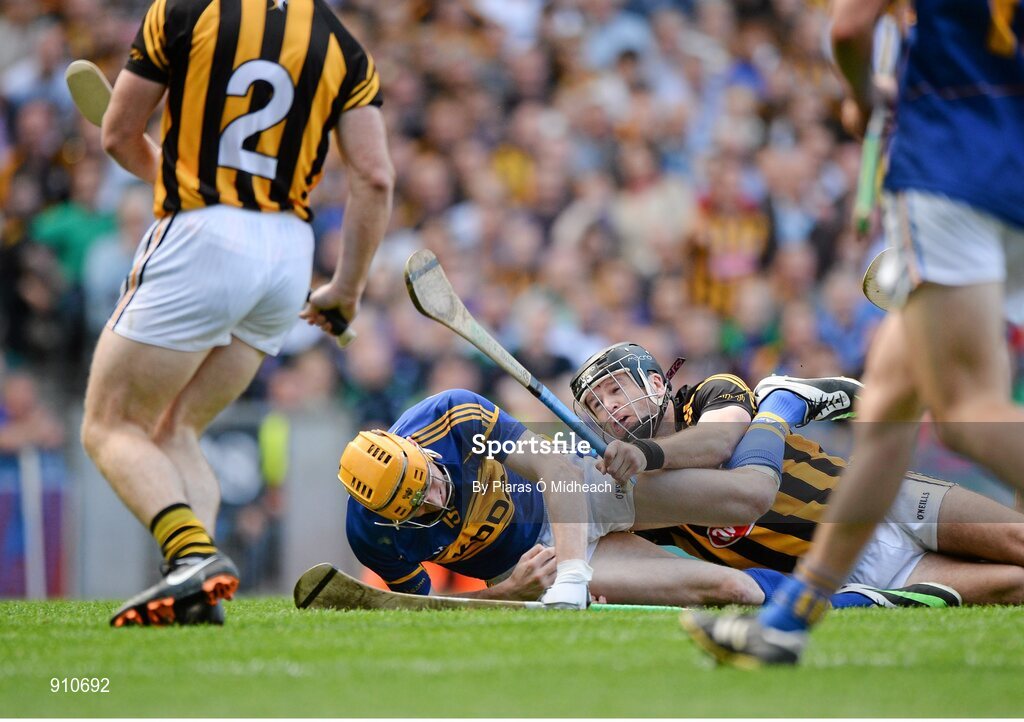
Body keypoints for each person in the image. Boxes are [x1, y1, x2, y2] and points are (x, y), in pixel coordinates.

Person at [677, 0, 1024, 666]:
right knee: (886, 408)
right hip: (1008, 162)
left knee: (963, 416)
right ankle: (790, 621)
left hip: (950, 171)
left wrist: (866, 100)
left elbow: (849, 28)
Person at [80, 0, 395, 627]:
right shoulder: (342, 45)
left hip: (201, 233)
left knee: (110, 425)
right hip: (287, 256)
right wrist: (346, 289)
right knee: (178, 430)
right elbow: (376, 178)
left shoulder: (180, 10)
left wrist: (175, 190)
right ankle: (196, 593)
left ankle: (190, 554)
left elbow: (117, 134)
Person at [340, 388, 952, 610]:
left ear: (417, 452)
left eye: (435, 479)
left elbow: (552, 466)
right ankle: (864, 603)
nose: (438, 497)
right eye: (420, 506)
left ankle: (781, 404)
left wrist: (573, 574)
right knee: (732, 591)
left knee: (745, 499)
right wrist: (510, 592)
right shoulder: (375, 536)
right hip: (530, 567)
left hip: (577, 496)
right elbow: (427, 616)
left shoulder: (447, 418)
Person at [569, 342, 1024, 607]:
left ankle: (782, 401)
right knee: (1012, 585)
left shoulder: (709, 394)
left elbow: (718, 442)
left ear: (652, 382)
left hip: (881, 499)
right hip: (849, 570)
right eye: (595, 405)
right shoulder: (632, 493)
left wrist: (646, 454)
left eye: (614, 389)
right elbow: (608, 544)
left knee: (1014, 541)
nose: (608, 406)